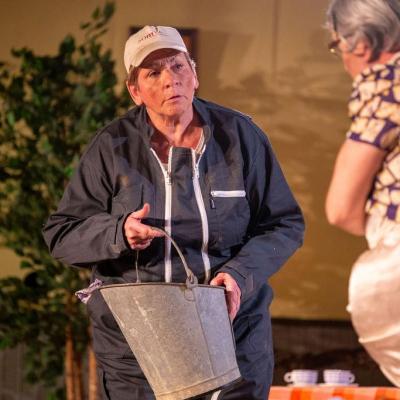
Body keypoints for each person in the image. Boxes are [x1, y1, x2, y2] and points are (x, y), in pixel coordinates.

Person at [43, 25, 304, 399]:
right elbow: (62, 235)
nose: (171, 80)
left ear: (194, 75)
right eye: (154, 73)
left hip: (232, 335)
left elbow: (284, 224)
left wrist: (239, 275)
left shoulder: (241, 137)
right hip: (137, 347)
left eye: (178, 67)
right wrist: (119, 232)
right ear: (135, 91)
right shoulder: (110, 147)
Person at [325, 0, 400, 387]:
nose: (343, 60)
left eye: (338, 46)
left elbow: (341, 208)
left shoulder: (387, 85)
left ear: (363, 45)